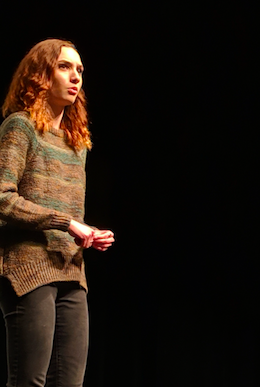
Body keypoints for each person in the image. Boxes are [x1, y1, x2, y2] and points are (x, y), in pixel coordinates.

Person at [0, 38, 115, 387]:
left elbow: (68, 213)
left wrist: (87, 233)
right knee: (29, 381)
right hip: (29, 270)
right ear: (41, 75)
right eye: (64, 67)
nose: (75, 76)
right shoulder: (20, 127)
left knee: (70, 382)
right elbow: (3, 198)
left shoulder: (76, 142)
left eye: (79, 69)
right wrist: (67, 224)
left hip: (72, 273)